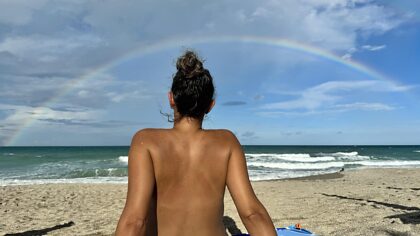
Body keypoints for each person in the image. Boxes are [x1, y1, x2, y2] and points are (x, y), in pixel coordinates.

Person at [115, 50, 276, 236]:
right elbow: (252, 213)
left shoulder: (146, 142)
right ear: (210, 105)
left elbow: (135, 221)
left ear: (171, 98)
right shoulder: (227, 142)